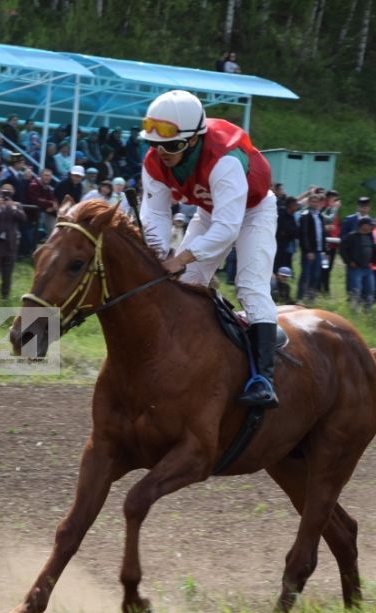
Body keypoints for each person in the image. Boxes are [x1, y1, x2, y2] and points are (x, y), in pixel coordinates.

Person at [139, 89, 279, 407]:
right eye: (154, 144)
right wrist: (160, 255)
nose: (161, 153)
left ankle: (263, 380)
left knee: (250, 286)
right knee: (184, 285)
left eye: (171, 146)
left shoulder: (224, 159)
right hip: (209, 211)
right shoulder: (153, 163)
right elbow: (157, 216)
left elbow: (228, 229)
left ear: (192, 141)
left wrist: (181, 258)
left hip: (253, 211)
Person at [339, 216, 376, 309]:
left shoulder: (370, 236)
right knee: (355, 290)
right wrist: (349, 262)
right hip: (355, 268)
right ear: (363, 226)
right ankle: (353, 310)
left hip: (368, 268)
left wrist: (373, 261)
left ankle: (367, 310)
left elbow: (373, 250)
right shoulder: (351, 236)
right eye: (370, 225)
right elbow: (343, 250)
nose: (371, 227)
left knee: (370, 290)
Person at [297, 193, 327, 301]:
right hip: (309, 251)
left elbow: (323, 234)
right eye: (312, 201)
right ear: (309, 202)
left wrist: (324, 249)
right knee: (306, 274)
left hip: (319, 251)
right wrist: (308, 250)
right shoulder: (305, 215)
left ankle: (310, 298)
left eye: (316, 201)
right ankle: (300, 297)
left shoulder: (320, 216)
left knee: (316, 275)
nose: (314, 203)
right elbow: (303, 234)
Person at [274, 196, 299, 272]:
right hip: (278, 245)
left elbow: (295, 231)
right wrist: (288, 232)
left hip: (286, 246)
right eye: (295, 204)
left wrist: (288, 232)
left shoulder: (291, 216)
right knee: (276, 265)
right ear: (291, 205)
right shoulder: (280, 214)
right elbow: (283, 229)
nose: (297, 206)